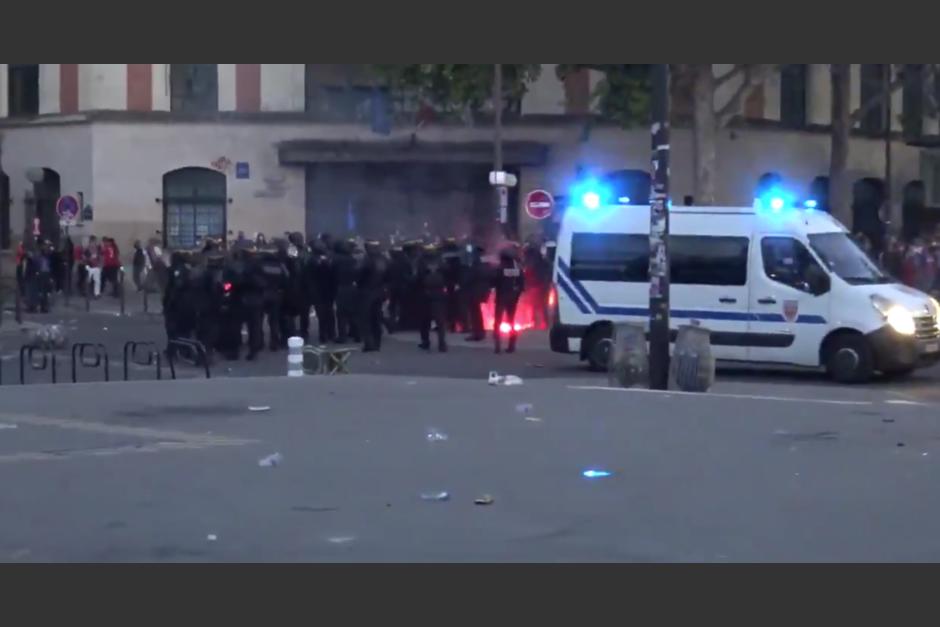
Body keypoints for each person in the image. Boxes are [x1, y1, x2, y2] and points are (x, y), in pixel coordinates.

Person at [357, 240, 388, 352]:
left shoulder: (367, 260)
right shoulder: (383, 259)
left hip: (367, 292)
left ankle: (369, 344)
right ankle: (377, 343)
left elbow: (359, 274)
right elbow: (388, 275)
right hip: (379, 291)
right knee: (376, 319)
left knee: (366, 319)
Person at [493, 246, 525, 354]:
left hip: (501, 297)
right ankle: (512, 345)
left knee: (497, 322)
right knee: (511, 321)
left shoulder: (500, 268)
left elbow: (494, 282)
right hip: (513, 298)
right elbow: (522, 285)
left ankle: (497, 346)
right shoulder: (517, 269)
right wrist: (517, 294)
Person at [416, 245, 448, 353]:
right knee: (440, 321)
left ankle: (426, 342)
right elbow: (448, 273)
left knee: (425, 320)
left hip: (426, 294)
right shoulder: (441, 261)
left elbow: (418, 277)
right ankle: (442, 343)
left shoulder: (421, 262)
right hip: (438, 294)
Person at [332, 240, 360, 344]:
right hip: (352, 286)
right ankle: (357, 335)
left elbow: (332, 274)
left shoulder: (335, 259)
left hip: (341, 287)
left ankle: (342, 336)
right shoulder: (352, 259)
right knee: (353, 312)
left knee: (341, 314)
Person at [463, 244, 490, 342]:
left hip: (474, 291)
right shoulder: (485, 262)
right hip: (482, 290)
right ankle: (480, 332)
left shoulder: (476, 263)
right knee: (477, 312)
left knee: (475, 313)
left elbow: (471, 276)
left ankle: (477, 333)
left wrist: (464, 281)